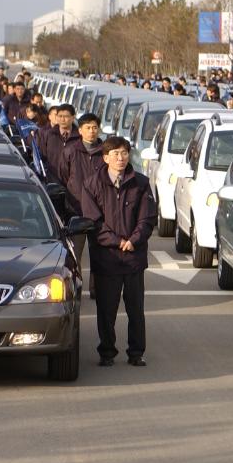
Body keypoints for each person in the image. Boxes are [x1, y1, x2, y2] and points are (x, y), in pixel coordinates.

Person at [81, 136, 158, 367]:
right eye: (115, 153)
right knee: (107, 310)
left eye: (124, 153)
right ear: (105, 158)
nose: (120, 158)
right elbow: (92, 221)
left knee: (136, 308)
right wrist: (116, 241)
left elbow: (147, 218)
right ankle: (107, 352)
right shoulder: (92, 184)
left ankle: (136, 353)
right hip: (107, 257)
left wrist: (133, 240)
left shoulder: (141, 183)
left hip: (134, 257)